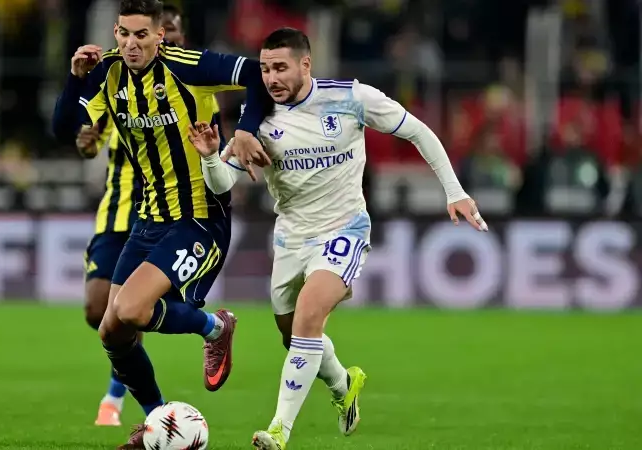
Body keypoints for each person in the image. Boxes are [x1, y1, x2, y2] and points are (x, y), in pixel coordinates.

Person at [189, 28, 488, 450]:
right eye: (265, 69)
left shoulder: (350, 97)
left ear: (305, 64)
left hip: (344, 229)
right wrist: (208, 157)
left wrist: (454, 191)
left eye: (280, 67)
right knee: (292, 336)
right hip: (291, 237)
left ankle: (278, 431)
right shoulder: (255, 121)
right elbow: (222, 184)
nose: (271, 78)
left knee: (309, 316)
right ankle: (343, 384)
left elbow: (418, 131)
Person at [60, 0, 271, 447]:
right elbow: (66, 129)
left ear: (159, 36)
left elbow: (257, 73)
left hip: (199, 217)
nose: (131, 44)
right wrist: (75, 78)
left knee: (133, 310)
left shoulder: (189, 66)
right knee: (112, 331)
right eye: (124, 34)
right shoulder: (107, 71)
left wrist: (246, 129)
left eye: (141, 35)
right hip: (148, 218)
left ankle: (215, 327)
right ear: (115, 33)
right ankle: (157, 422)